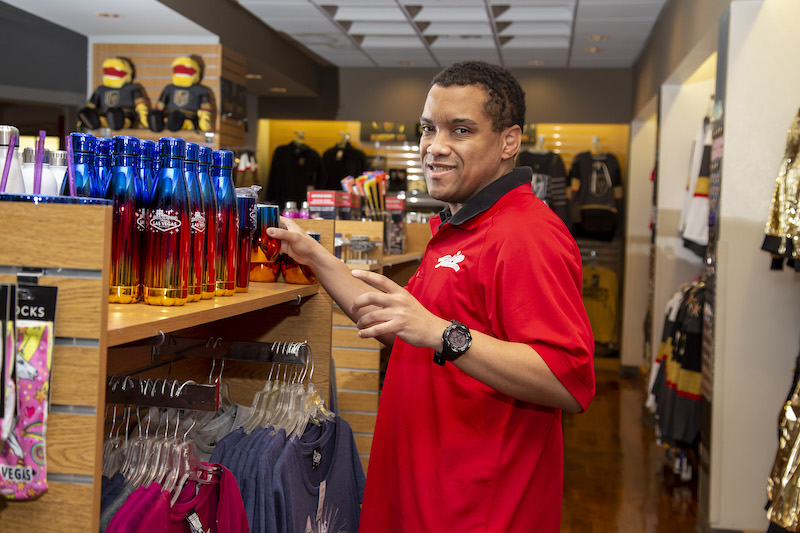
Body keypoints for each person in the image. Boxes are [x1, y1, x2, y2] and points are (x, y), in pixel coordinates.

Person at [267, 60, 595, 532]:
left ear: (509, 141)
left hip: (476, 512)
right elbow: (399, 326)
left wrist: (442, 333)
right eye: (428, 129)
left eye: (460, 130)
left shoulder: (527, 233)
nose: (434, 147)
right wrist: (315, 256)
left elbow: (568, 378)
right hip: (415, 496)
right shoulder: (459, 226)